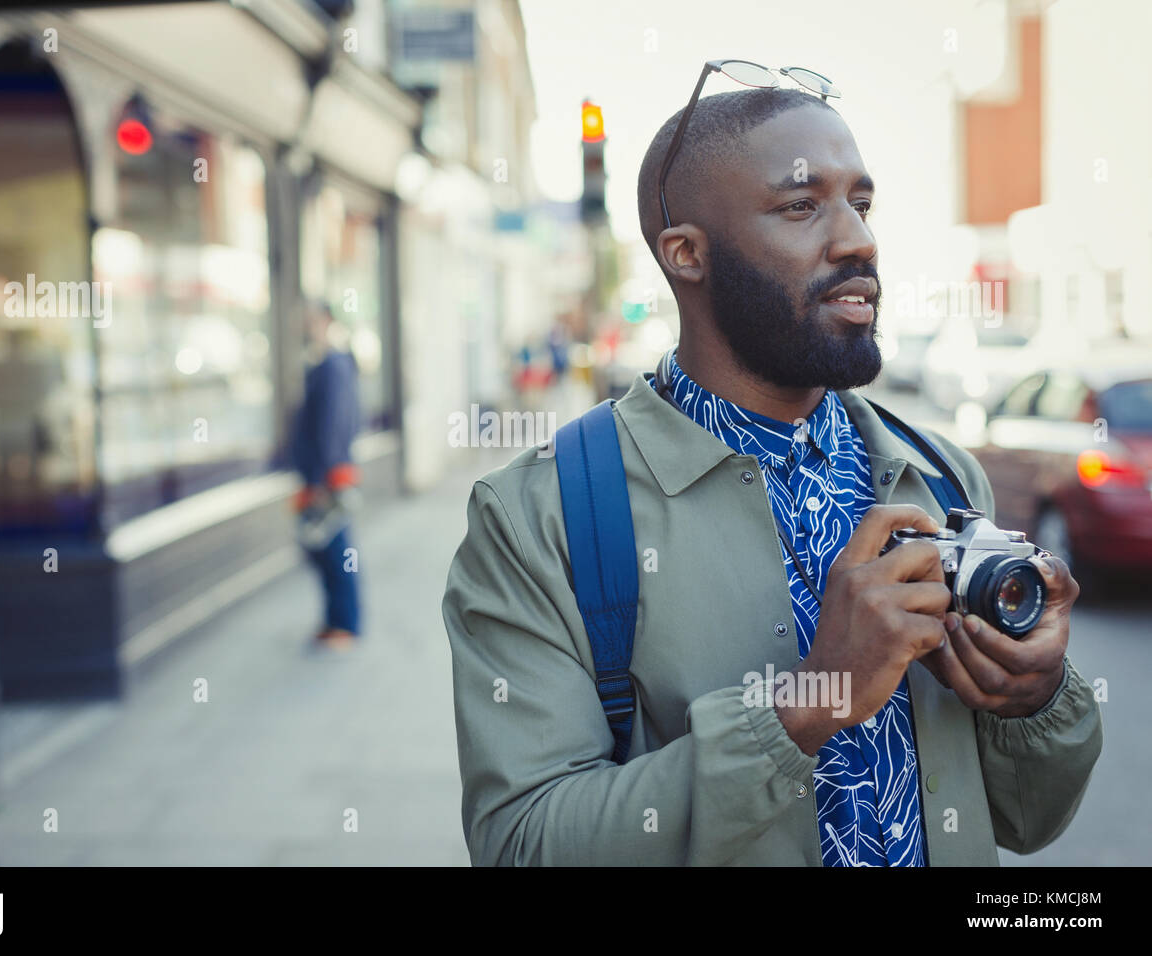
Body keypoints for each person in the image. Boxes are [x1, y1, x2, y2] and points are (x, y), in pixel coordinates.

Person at [441, 79, 1102, 866]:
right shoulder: (537, 516)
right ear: (686, 254)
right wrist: (806, 706)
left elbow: (1029, 822)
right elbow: (523, 845)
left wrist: (1034, 697)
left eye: (862, 202)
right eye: (802, 206)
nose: (859, 239)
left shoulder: (940, 476)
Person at [286, 299, 362, 650]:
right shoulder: (328, 363)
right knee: (326, 548)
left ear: (327, 320)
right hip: (323, 473)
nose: (307, 326)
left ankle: (344, 625)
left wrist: (321, 479)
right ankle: (336, 620)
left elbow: (332, 424)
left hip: (328, 476)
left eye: (312, 319)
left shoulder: (333, 364)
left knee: (335, 549)